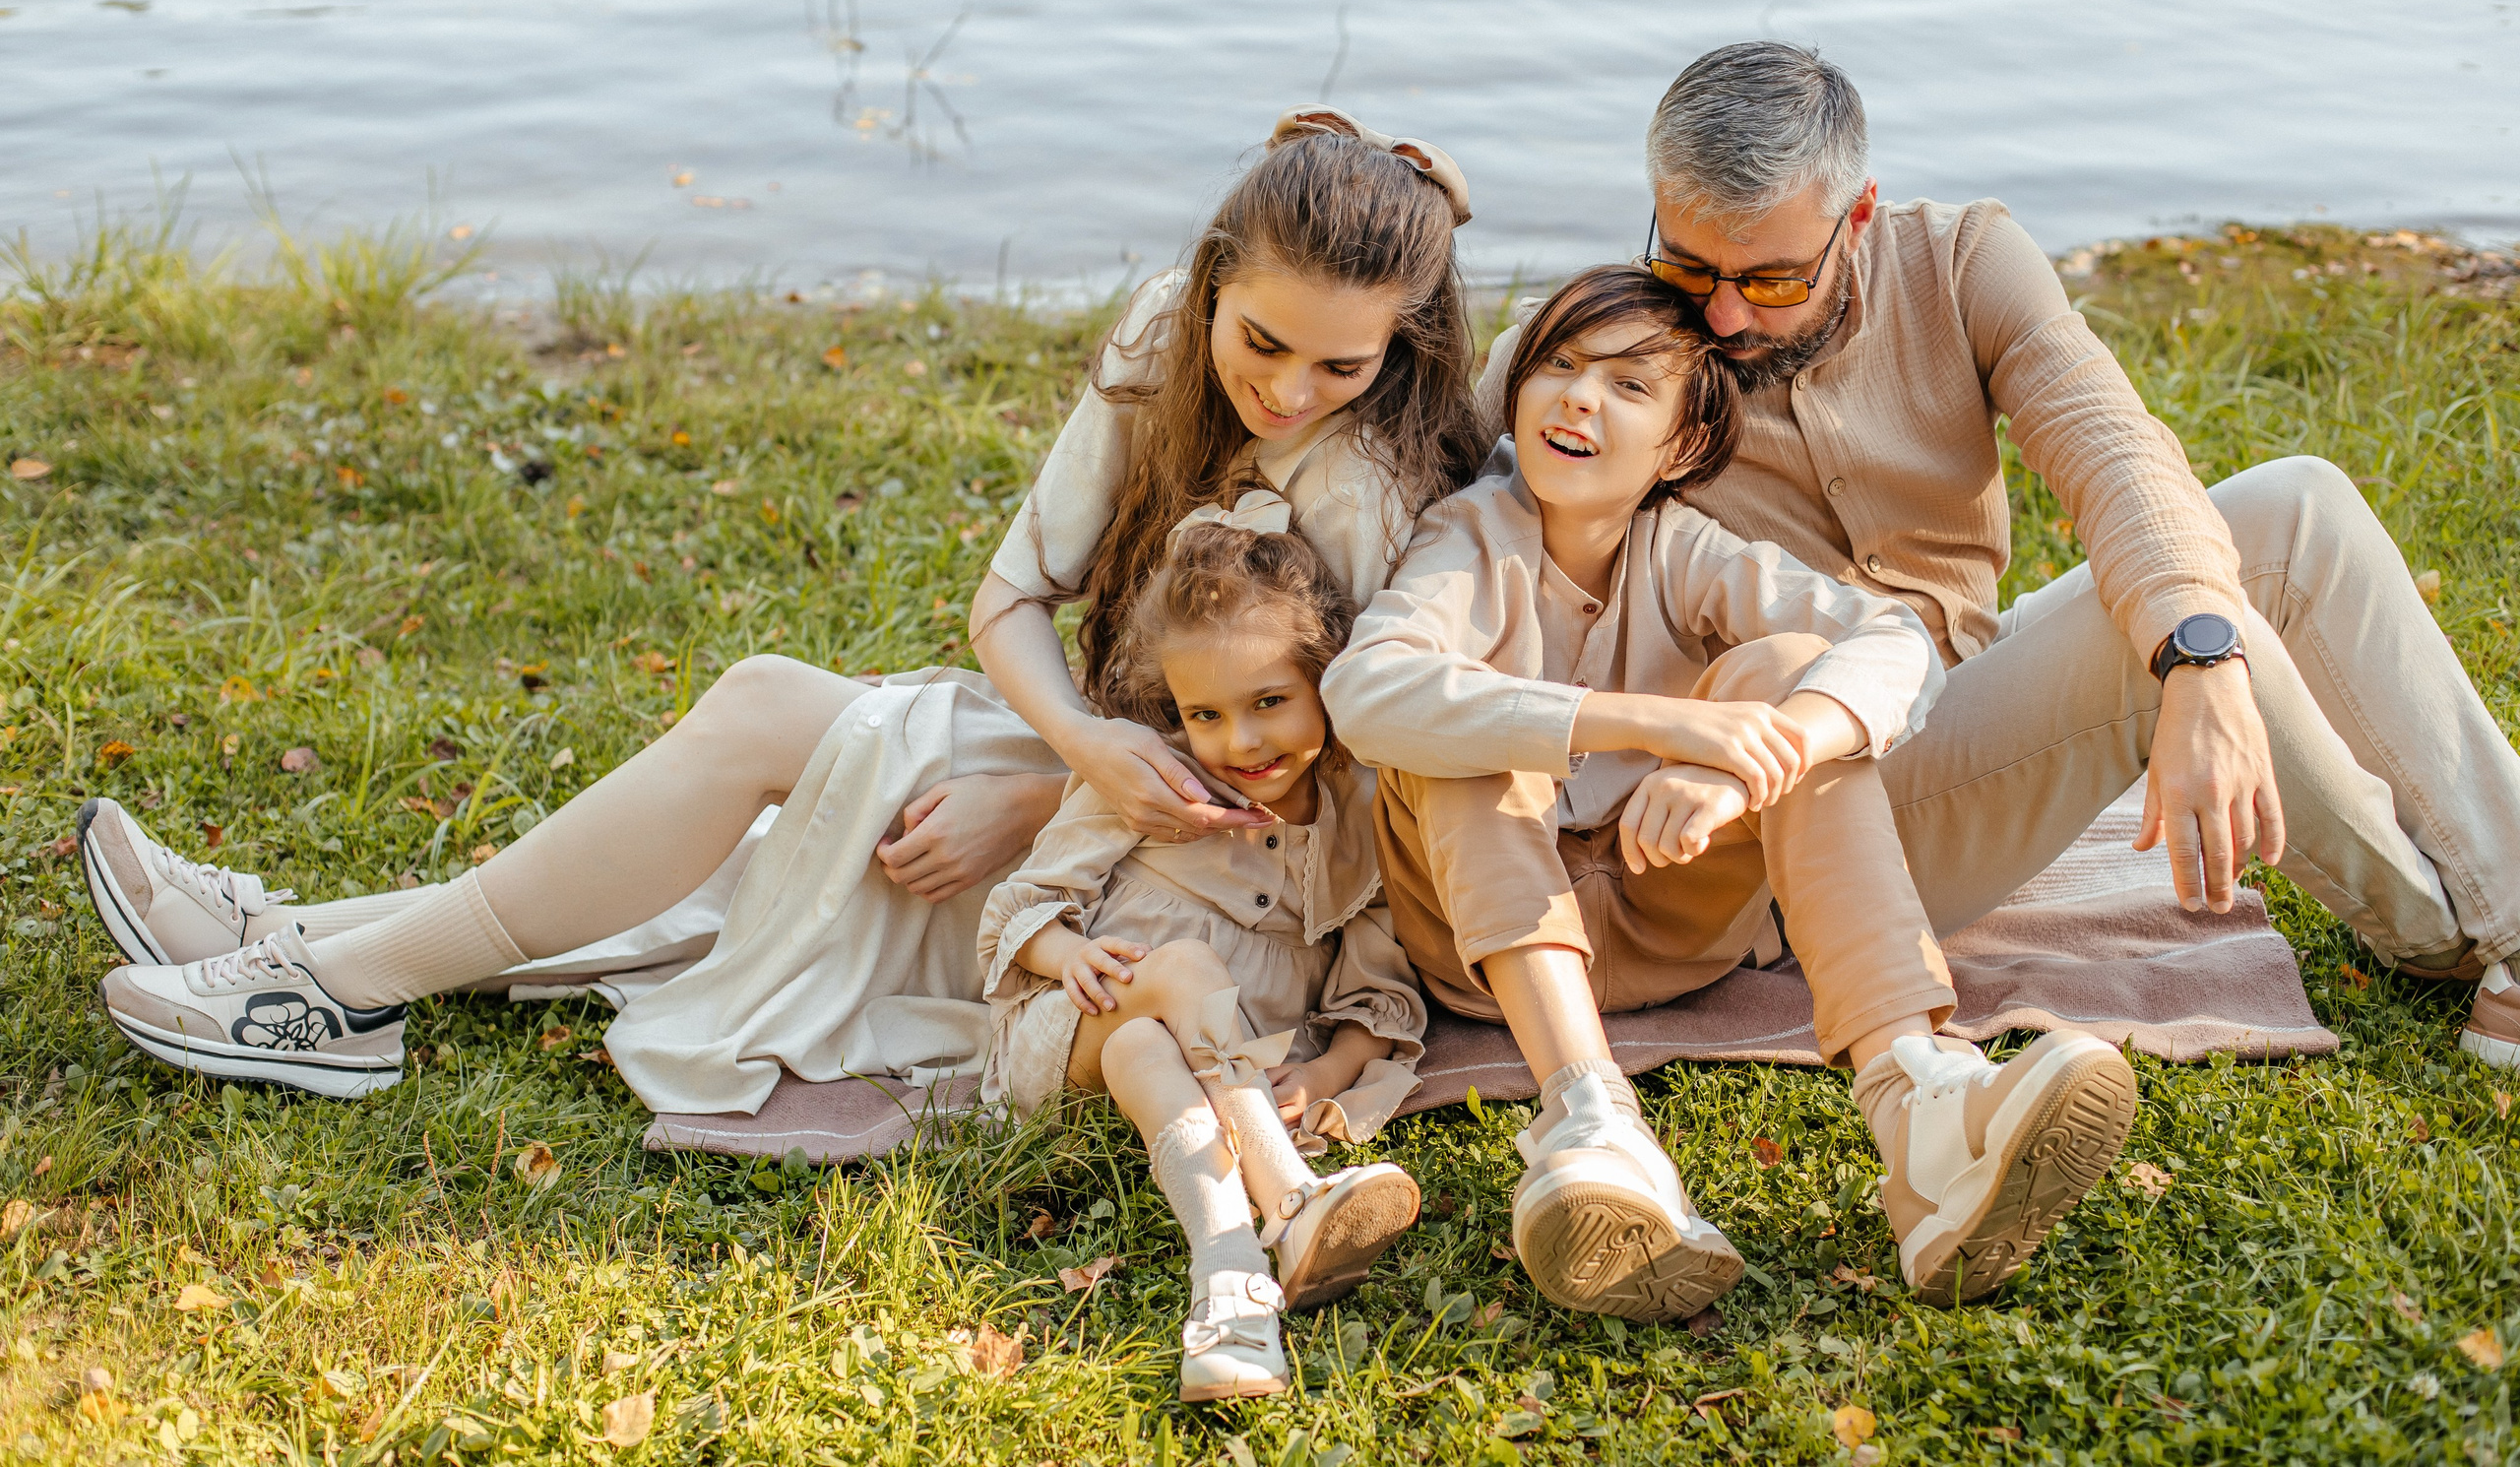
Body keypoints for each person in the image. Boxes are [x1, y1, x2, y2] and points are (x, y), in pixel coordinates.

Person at [75, 103, 1489, 1104]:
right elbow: (1009, 598)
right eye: (1264, 341)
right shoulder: (1160, 336)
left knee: (765, 750)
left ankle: (325, 977)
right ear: (1210, 282)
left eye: (1343, 366)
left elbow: (1312, 775)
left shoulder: (1367, 485)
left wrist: (1046, 805)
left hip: (1191, 866)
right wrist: (1064, 746)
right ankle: (306, 953)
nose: (1290, 389)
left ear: (1400, 346)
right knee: (753, 802)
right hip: (1094, 764)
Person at [1475, 41, 2520, 1066]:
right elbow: (1426, 500)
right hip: (1811, 793)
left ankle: (2504, 911)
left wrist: (2201, 654)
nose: (1722, 313)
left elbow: (2111, 444)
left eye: (1774, 279)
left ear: (1861, 215)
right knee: (2157, 652)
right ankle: (2442, 940)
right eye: (1686, 263)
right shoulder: (1593, 351)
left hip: (1961, 682)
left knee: (2297, 507)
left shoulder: (1963, 260)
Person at [1325, 265, 2138, 1321]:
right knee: (1464, 727)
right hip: (1489, 942)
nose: (1579, 398)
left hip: (1675, 914)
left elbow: (1892, 638)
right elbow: (1366, 690)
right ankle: (1591, 1119)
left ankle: (1917, 1106)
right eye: (1559, 368)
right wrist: (1654, 724)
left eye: (1627, 388)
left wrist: (1735, 758)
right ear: (1518, 400)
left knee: (1786, 664)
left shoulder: (1690, 550)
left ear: (1680, 447)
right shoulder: (1469, 537)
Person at [979, 508, 1424, 1401]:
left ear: (1326, 682)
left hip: (1178, 1070)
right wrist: (1066, 949)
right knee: (1177, 970)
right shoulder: (1153, 780)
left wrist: (1330, 1074)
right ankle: (1291, 1195)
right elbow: (1014, 909)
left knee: (1152, 1047)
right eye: (1206, 713)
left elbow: (1380, 987)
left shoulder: (1360, 820)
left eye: (1270, 702)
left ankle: (1226, 1272)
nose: (1241, 742)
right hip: (1071, 1035)